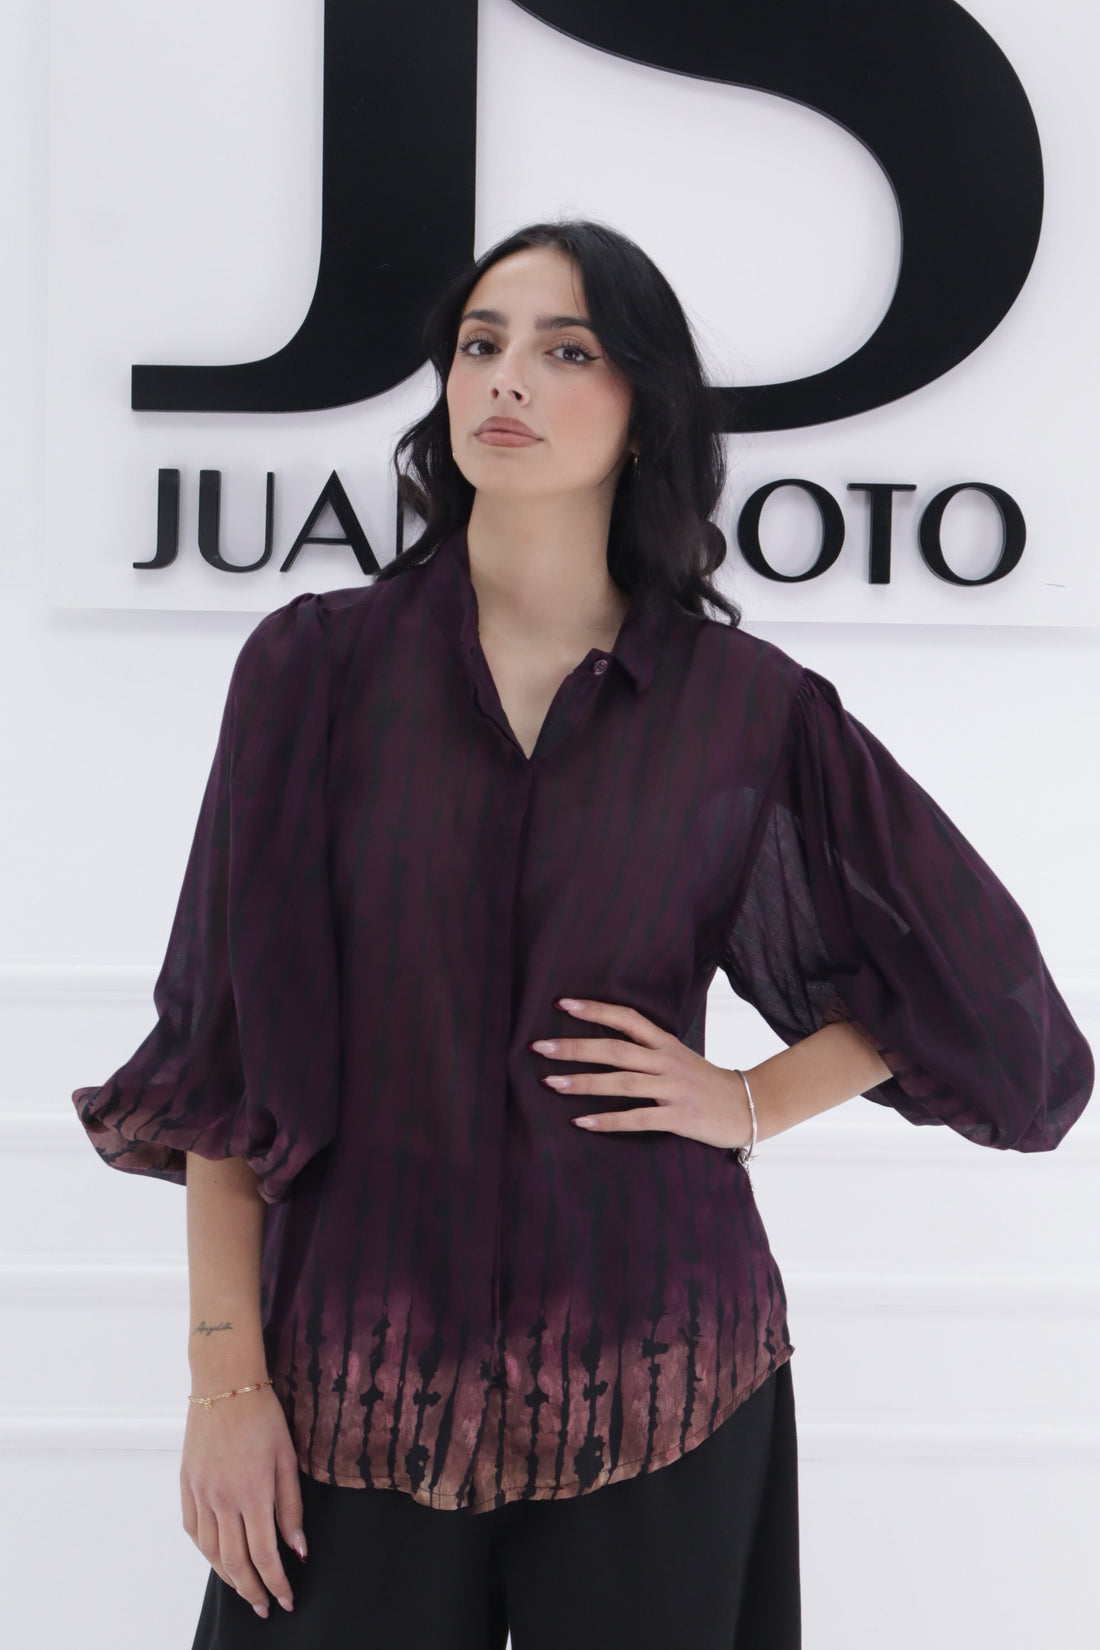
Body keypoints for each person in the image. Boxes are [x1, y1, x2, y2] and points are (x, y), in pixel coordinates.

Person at [71, 218, 1094, 1650]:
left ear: (644, 408)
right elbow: (222, 1062)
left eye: (566, 350)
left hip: (662, 1388)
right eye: (481, 344)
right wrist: (223, 1383)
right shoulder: (314, 672)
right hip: (349, 1393)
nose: (507, 377)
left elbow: (988, 997)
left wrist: (751, 1098)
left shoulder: (745, 707)